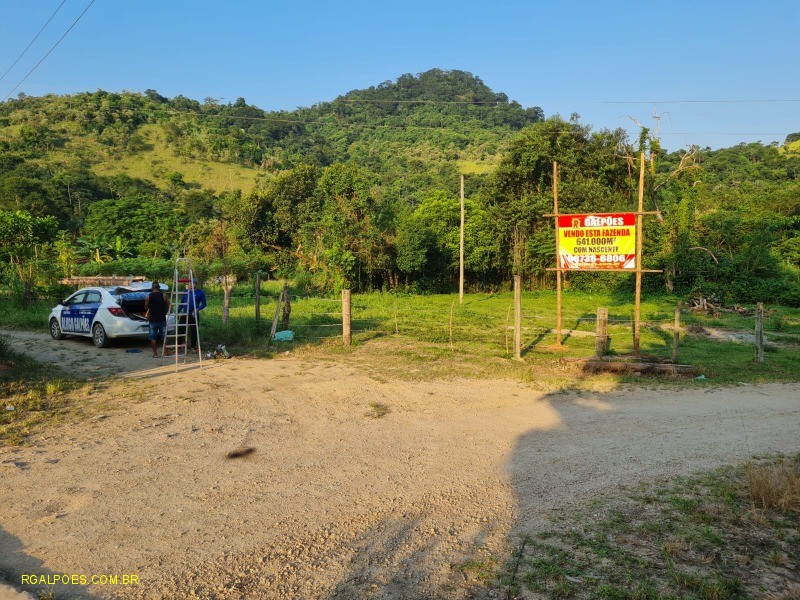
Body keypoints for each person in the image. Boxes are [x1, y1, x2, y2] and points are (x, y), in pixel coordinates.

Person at [144, 281, 170, 358]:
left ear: (152, 288)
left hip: (152, 320)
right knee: (164, 337)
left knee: (153, 338)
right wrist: (165, 311)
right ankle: (166, 352)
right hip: (162, 319)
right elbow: (168, 305)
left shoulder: (148, 296)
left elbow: (146, 307)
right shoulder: (164, 295)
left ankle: (155, 354)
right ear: (159, 288)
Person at [180, 279, 206, 350]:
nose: (191, 284)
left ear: (195, 284)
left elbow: (204, 304)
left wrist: (197, 309)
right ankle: (179, 346)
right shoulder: (185, 292)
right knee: (180, 329)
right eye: (189, 283)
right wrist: (177, 312)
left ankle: (193, 346)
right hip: (185, 313)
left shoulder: (200, 293)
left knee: (194, 330)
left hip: (193, 314)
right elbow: (181, 303)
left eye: (192, 283)